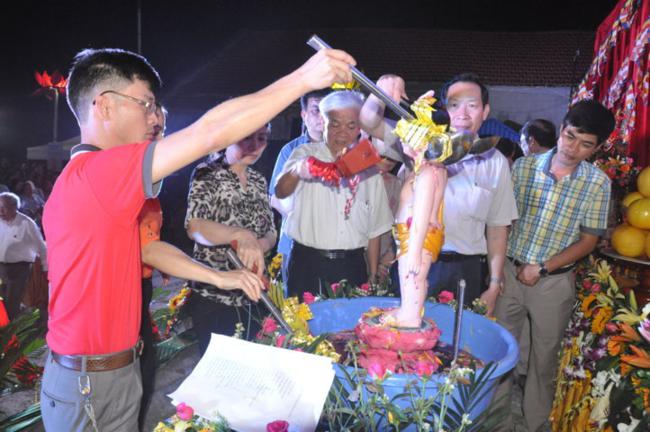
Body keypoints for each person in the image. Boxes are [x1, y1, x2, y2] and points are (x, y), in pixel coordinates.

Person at [40, 47, 354, 431]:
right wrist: (303, 79)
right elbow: (208, 133)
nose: (154, 117)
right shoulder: (97, 173)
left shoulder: (101, 184)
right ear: (104, 105)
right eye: (145, 104)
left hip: (115, 370)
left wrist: (221, 277)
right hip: (89, 382)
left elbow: (148, 248)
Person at [493, 100, 615, 432]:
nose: (573, 149)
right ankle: (497, 422)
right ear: (561, 130)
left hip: (553, 283)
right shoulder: (524, 168)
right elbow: (504, 222)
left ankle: (534, 424)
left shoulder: (598, 183)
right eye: (570, 136)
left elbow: (588, 241)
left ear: (597, 148)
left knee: (543, 360)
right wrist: (497, 272)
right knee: (500, 351)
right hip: (510, 273)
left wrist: (543, 268)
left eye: (585, 144)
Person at [360, 73, 518, 312]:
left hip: (466, 270)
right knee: (408, 326)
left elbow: (497, 227)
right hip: (416, 261)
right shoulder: (419, 141)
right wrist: (382, 88)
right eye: (454, 105)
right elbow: (369, 121)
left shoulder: (495, 161)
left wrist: (494, 284)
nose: (463, 114)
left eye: (472, 105)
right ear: (444, 109)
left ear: (485, 111)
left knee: (460, 334)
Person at [275, 90, 393, 298]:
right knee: (302, 319)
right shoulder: (305, 154)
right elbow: (280, 191)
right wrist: (298, 170)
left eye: (351, 126)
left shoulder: (368, 168)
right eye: (335, 124)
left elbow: (375, 229)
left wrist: (372, 274)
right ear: (324, 122)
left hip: (352, 265)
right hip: (307, 263)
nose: (342, 133)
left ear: (360, 127)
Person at [185, 123, 277, 354]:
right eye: (247, 137)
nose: (255, 146)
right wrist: (239, 235)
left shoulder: (258, 180)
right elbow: (195, 226)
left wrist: (259, 245)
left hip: (254, 295)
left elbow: (271, 232)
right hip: (216, 296)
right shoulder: (207, 173)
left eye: (262, 138)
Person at [269, 89, 330, 287]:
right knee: (297, 300)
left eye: (327, 110)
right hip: (295, 242)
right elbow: (274, 197)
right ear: (304, 115)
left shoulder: (343, 150)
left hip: (336, 246)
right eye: (316, 110)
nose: (322, 117)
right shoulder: (290, 151)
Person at [0, 192, 47, 320]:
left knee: (12, 303)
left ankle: (12, 329)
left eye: (4, 208)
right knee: (2, 302)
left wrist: (45, 268)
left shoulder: (26, 224)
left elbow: (41, 247)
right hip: (1, 267)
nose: (1, 211)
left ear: (14, 207)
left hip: (19, 268)